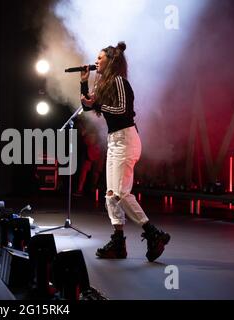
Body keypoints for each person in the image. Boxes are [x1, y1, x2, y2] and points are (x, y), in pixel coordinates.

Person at [80, 41, 170, 262]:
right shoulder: (104, 84)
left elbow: (123, 110)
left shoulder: (119, 81)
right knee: (111, 194)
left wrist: (97, 105)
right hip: (114, 140)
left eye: (100, 58)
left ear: (111, 61)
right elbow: (87, 106)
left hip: (126, 139)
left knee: (121, 193)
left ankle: (153, 233)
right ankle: (118, 242)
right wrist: (84, 84)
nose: (95, 61)